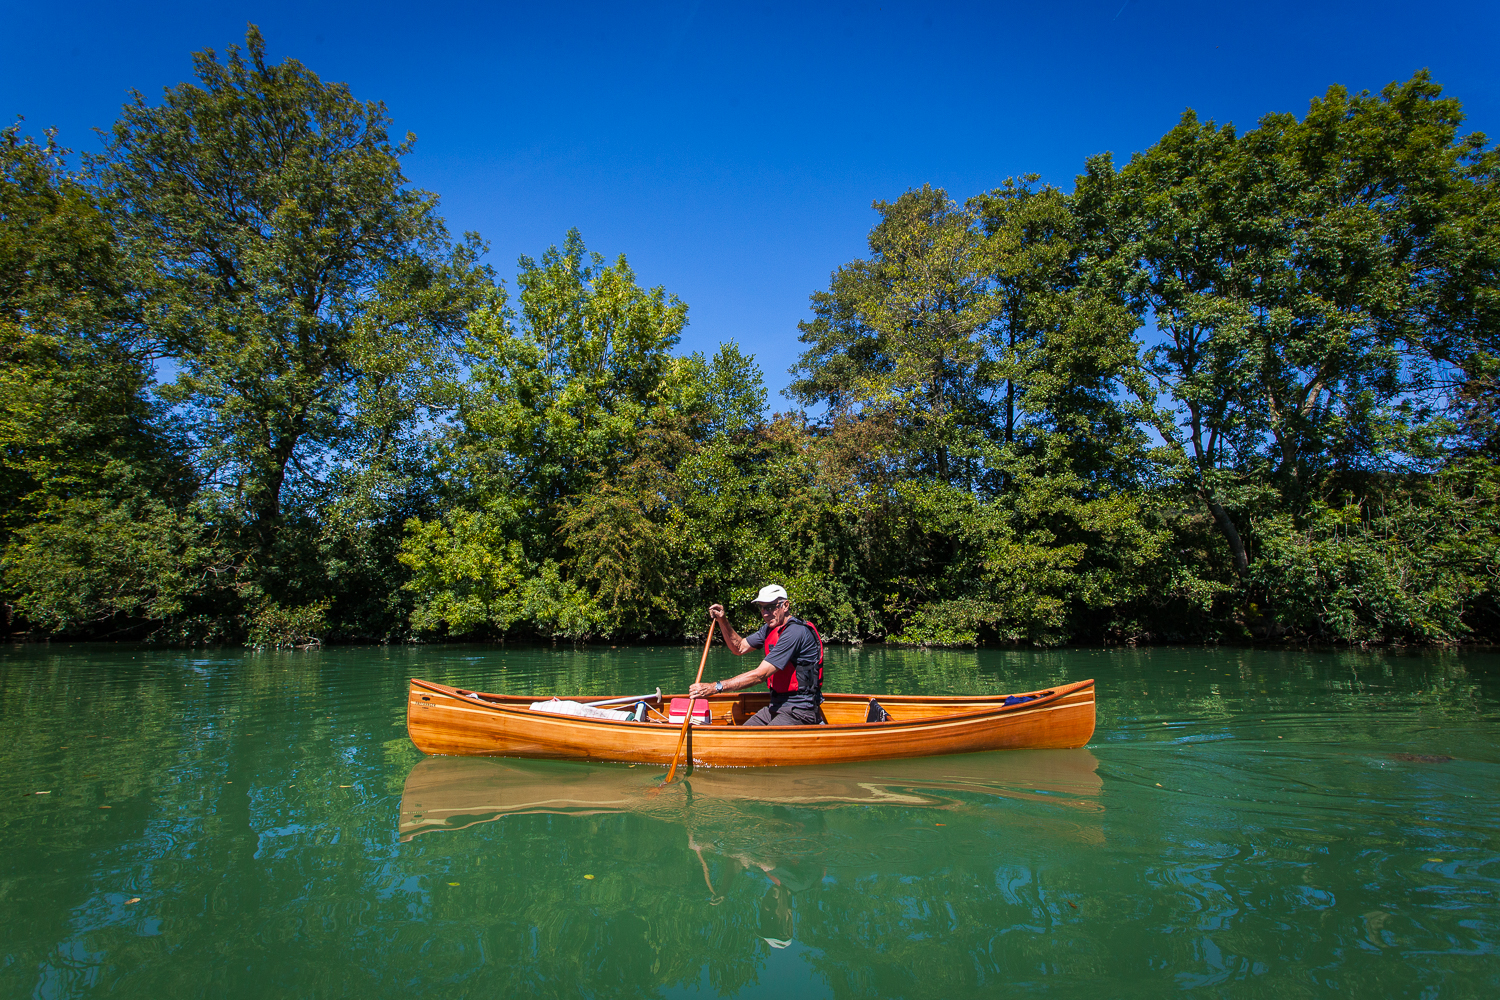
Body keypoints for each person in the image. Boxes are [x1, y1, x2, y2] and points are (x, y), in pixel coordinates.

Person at [688, 584, 823, 726]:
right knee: (742, 735)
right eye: (762, 607)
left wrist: (715, 687)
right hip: (777, 706)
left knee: (755, 741)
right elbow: (739, 647)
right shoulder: (770, 628)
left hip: (800, 710)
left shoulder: (795, 632)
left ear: (785, 605)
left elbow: (760, 675)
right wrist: (723, 621)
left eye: (770, 607)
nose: (765, 613)